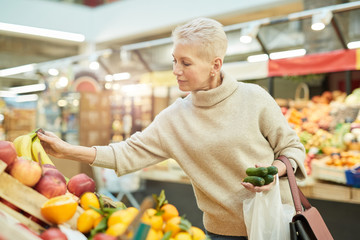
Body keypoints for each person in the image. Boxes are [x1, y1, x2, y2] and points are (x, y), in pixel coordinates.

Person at [37, 17, 307, 239]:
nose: (176, 70)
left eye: (186, 63)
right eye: (174, 60)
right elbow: (127, 153)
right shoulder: (175, 117)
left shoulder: (255, 98)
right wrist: (68, 151)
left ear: (215, 65)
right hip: (222, 233)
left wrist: (276, 172)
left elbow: (292, 148)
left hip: (276, 224)